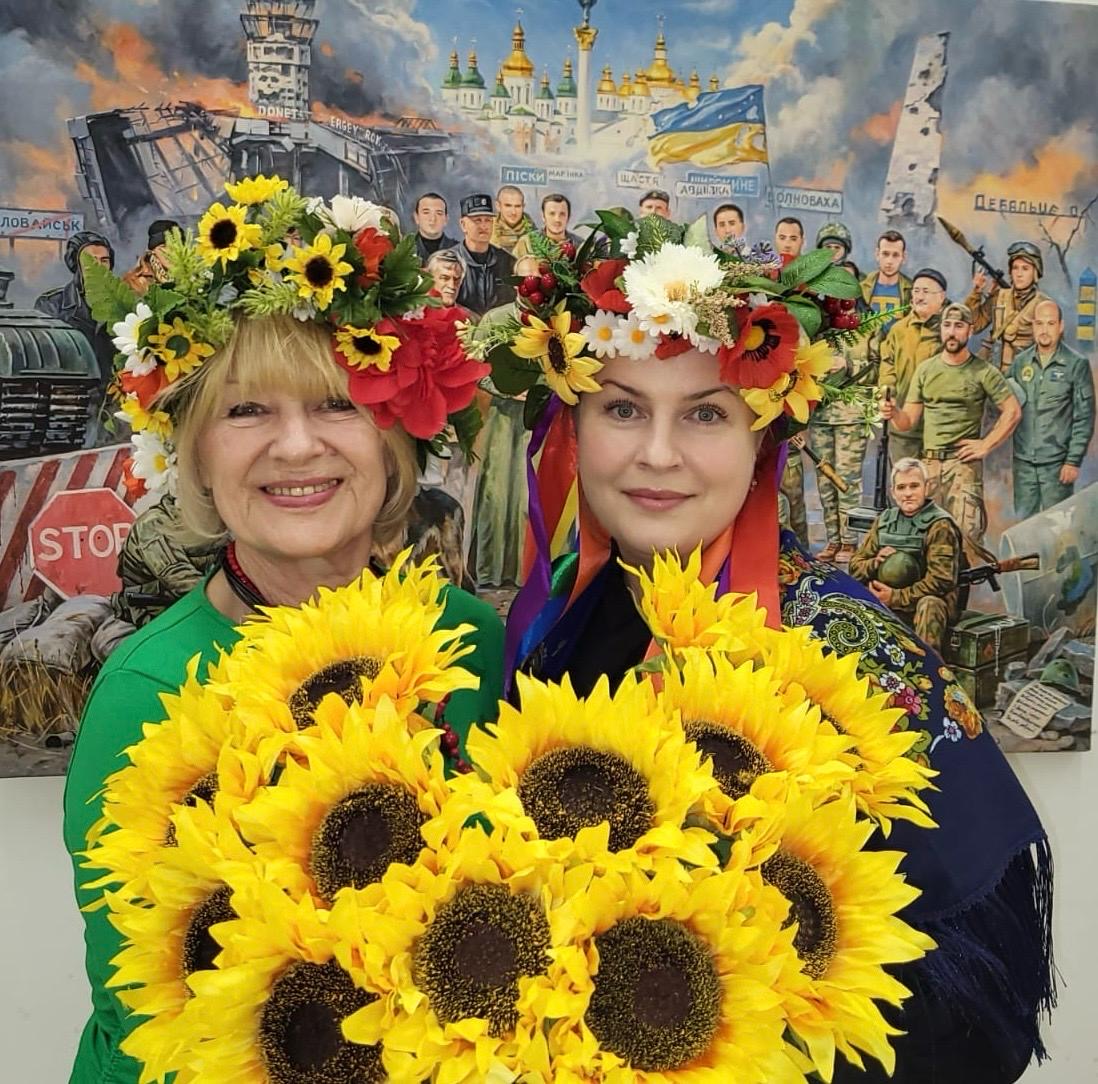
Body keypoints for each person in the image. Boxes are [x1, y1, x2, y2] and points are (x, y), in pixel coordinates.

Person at [501, 237, 1052, 1083]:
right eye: (621, 409)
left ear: (764, 441)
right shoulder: (565, 630)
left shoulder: (844, 649)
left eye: (707, 413)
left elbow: (978, 1022)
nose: (656, 454)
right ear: (571, 429)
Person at [62, 184, 505, 1084]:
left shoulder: (468, 639)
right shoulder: (149, 696)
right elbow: (146, 1012)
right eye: (246, 410)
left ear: (394, 438)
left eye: (337, 403)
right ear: (193, 450)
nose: (297, 446)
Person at [883, 302, 1021, 545]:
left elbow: (1012, 411)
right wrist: (893, 412)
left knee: (966, 540)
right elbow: (908, 421)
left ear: (969, 330)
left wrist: (985, 445)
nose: (952, 332)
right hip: (929, 466)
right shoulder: (926, 370)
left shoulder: (983, 371)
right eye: (947, 325)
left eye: (959, 326)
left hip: (963, 468)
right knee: (929, 542)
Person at [848, 457, 962, 652]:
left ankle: (928, 672)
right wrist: (875, 562)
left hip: (928, 601)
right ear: (893, 492)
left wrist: (896, 597)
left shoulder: (940, 525)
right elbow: (855, 566)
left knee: (930, 605)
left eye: (914, 486)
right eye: (901, 488)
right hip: (886, 595)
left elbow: (941, 581)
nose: (907, 494)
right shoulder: (885, 520)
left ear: (927, 488)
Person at [1007, 299, 1095, 517]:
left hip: (1057, 467)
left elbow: (1084, 417)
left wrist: (1073, 461)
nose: (1044, 330)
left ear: (1061, 326)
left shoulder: (1076, 365)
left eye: (1050, 323)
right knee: (1023, 530)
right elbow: (1005, 407)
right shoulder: (1019, 363)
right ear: (1033, 326)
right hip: (1024, 465)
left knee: (1057, 531)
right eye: (1039, 323)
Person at [35, 230, 117, 405]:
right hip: (69, 401)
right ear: (75, 264)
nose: (98, 266)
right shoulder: (52, 306)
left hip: (114, 401)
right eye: (90, 261)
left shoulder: (124, 305)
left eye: (104, 260)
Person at [877, 268, 949, 465]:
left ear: (941, 297)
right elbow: (887, 365)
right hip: (903, 428)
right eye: (916, 291)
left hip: (939, 429)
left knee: (934, 488)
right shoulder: (898, 331)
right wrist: (887, 393)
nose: (919, 296)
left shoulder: (949, 331)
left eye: (926, 291)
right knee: (904, 485)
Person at [965, 240, 1052, 371]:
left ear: (1035, 272)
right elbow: (975, 325)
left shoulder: (1045, 305)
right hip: (995, 376)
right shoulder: (999, 296)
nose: (1019, 273)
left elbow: (1052, 349)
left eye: (1025, 268)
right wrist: (976, 291)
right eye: (1015, 268)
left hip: (1028, 377)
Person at [454, 193, 516, 316]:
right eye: (477, 220)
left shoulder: (507, 261)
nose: (484, 226)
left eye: (488, 220)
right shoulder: (449, 260)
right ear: (463, 224)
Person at [861, 230, 911, 336]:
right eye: (885, 254)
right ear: (877, 254)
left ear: (904, 257)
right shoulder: (862, 288)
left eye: (895, 255)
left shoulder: (912, 291)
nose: (889, 261)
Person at [512, 192, 580, 260]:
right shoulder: (526, 242)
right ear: (543, 216)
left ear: (568, 217)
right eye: (552, 214)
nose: (557, 219)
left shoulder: (580, 246)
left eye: (562, 214)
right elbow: (511, 268)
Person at [121, 219, 181, 296]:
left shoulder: (194, 278)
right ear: (153, 251)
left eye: (176, 245)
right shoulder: (136, 282)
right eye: (163, 247)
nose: (171, 252)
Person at [412, 191, 457, 262]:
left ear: (446, 219)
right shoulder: (404, 249)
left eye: (439, 213)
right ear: (416, 217)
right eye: (426, 213)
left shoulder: (459, 251)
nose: (432, 219)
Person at [490, 184, 534, 254]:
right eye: (508, 206)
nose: (513, 212)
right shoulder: (488, 229)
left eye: (518, 206)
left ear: (523, 206)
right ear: (498, 206)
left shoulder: (534, 235)